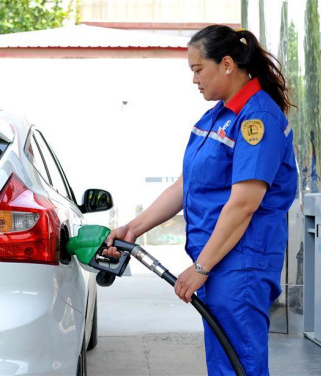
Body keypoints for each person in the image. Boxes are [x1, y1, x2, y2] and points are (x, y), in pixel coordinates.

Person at [104, 25, 298, 376]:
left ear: (226, 64)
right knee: (225, 363)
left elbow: (244, 204)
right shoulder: (217, 117)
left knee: (240, 364)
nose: (194, 80)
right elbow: (186, 186)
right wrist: (132, 229)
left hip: (241, 263)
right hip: (220, 261)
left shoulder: (257, 119)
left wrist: (200, 267)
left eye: (197, 70)